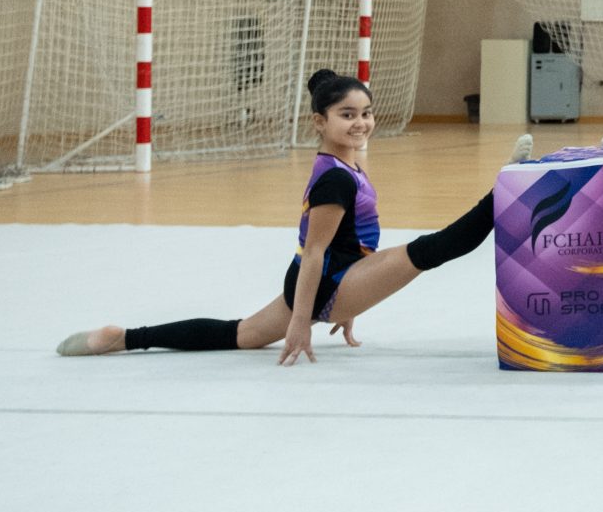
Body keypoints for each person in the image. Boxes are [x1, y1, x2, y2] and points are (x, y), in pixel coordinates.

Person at [53, 71, 504, 364]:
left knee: (242, 335)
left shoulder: (341, 164)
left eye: (366, 113)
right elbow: (315, 253)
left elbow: (342, 242)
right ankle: (505, 188)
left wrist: (355, 299)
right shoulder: (336, 180)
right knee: (438, 247)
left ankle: (124, 337)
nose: (361, 123)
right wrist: (306, 318)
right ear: (319, 121)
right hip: (328, 278)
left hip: (341, 275)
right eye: (347, 115)